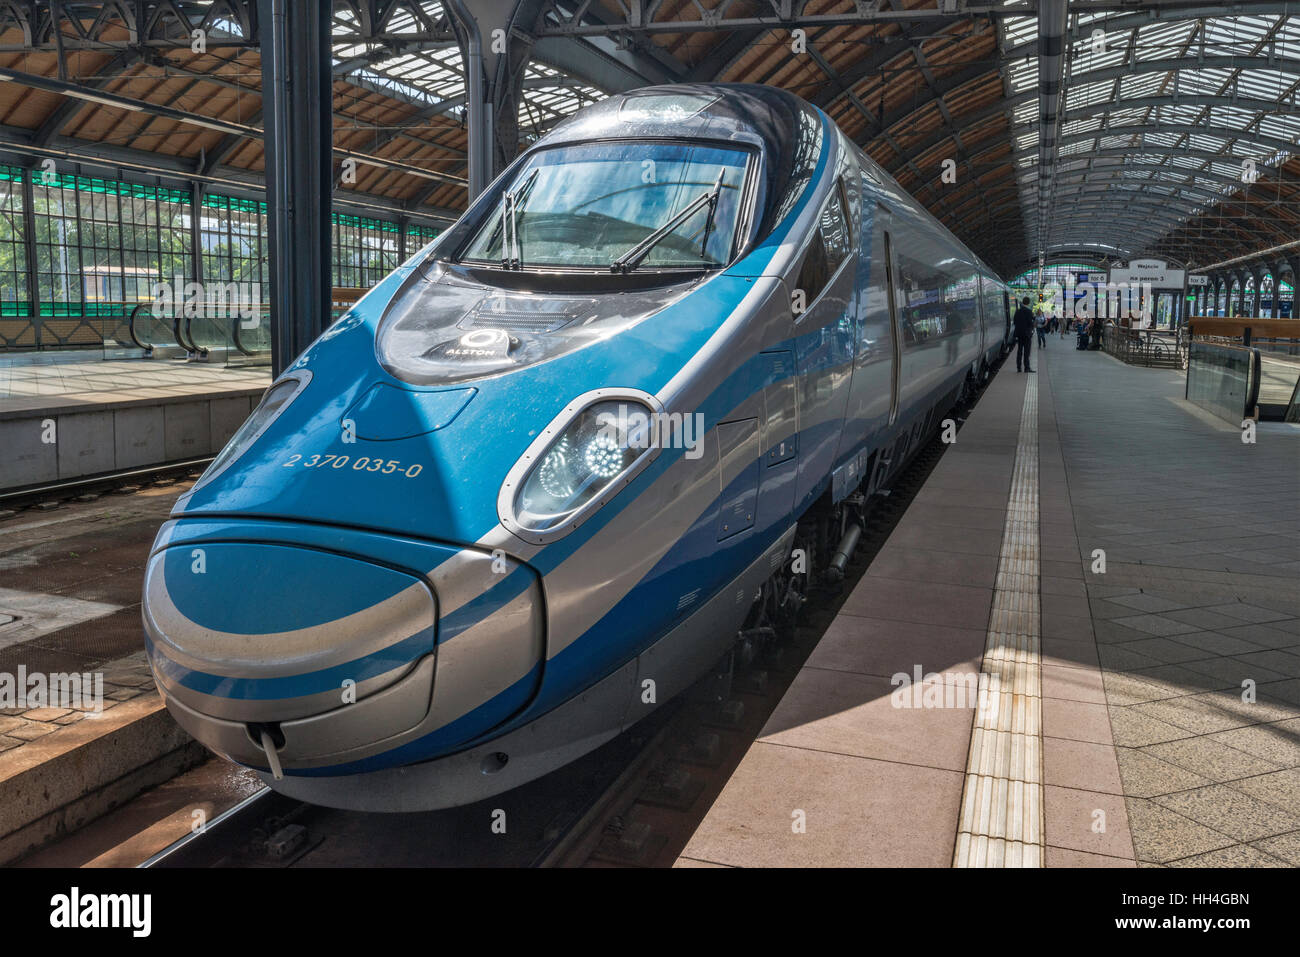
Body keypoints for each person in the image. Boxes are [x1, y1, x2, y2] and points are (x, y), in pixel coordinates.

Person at [1012, 296, 1035, 372]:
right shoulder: (1029, 311)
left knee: (1019, 351)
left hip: (1019, 334)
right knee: (1026, 352)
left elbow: (1014, 321)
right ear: (1028, 303)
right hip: (1027, 334)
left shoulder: (1017, 311)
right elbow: (1030, 323)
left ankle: (1019, 368)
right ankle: (1026, 368)